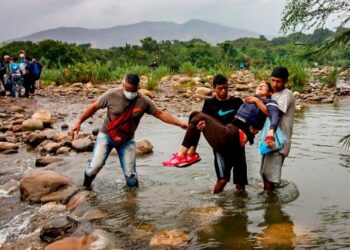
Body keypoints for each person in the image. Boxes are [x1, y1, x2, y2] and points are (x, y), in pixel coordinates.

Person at [71, 73, 188, 190]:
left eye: (134, 90)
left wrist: (180, 123)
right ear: (123, 84)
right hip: (106, 136)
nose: (131, 93)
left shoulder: (143, 101)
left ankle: (131, 201)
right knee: (95, 166)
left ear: (138, 87)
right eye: (128, 89)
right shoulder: (111, 95)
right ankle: (85, 189)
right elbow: (93, 107)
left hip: (127, 140)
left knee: (131, 175)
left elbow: (160, 114)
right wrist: (79, 122)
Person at [163, 81, 281, 194]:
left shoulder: (269, 102)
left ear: (270, 92)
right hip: (228, 132)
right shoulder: (248, 102)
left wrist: (270, 132)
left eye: (264, 86)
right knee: (195, 115)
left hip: (234, 135)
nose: (260, 86)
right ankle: (191, 153)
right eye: (259, 85)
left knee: (240, 183)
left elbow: (274, 115)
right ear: (214, 88)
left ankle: (181, 155)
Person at [164, 74, 244, 192]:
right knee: (222, 180)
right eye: (220, 88)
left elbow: (245, 121)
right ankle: (214, 203)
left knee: (240, 185)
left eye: (226, 88)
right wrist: (201, 128)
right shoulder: (209, 103)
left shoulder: (237, 102)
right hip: (219, 144)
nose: (223, 91)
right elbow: (204, 123)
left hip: (236, 143)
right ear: (213, 88)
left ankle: (188, 153)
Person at [260, 66, 295, 192]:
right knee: (265, 173)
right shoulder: (272, 94)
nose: (275, 84)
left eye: (278, 81)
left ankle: (270, 206)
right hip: (270, 140)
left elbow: (273, 113)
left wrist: (256, 101)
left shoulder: (286, 95)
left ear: (285, 81)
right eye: (273, 80)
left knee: (269, 177)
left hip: (280, 142)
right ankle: (270, 199)